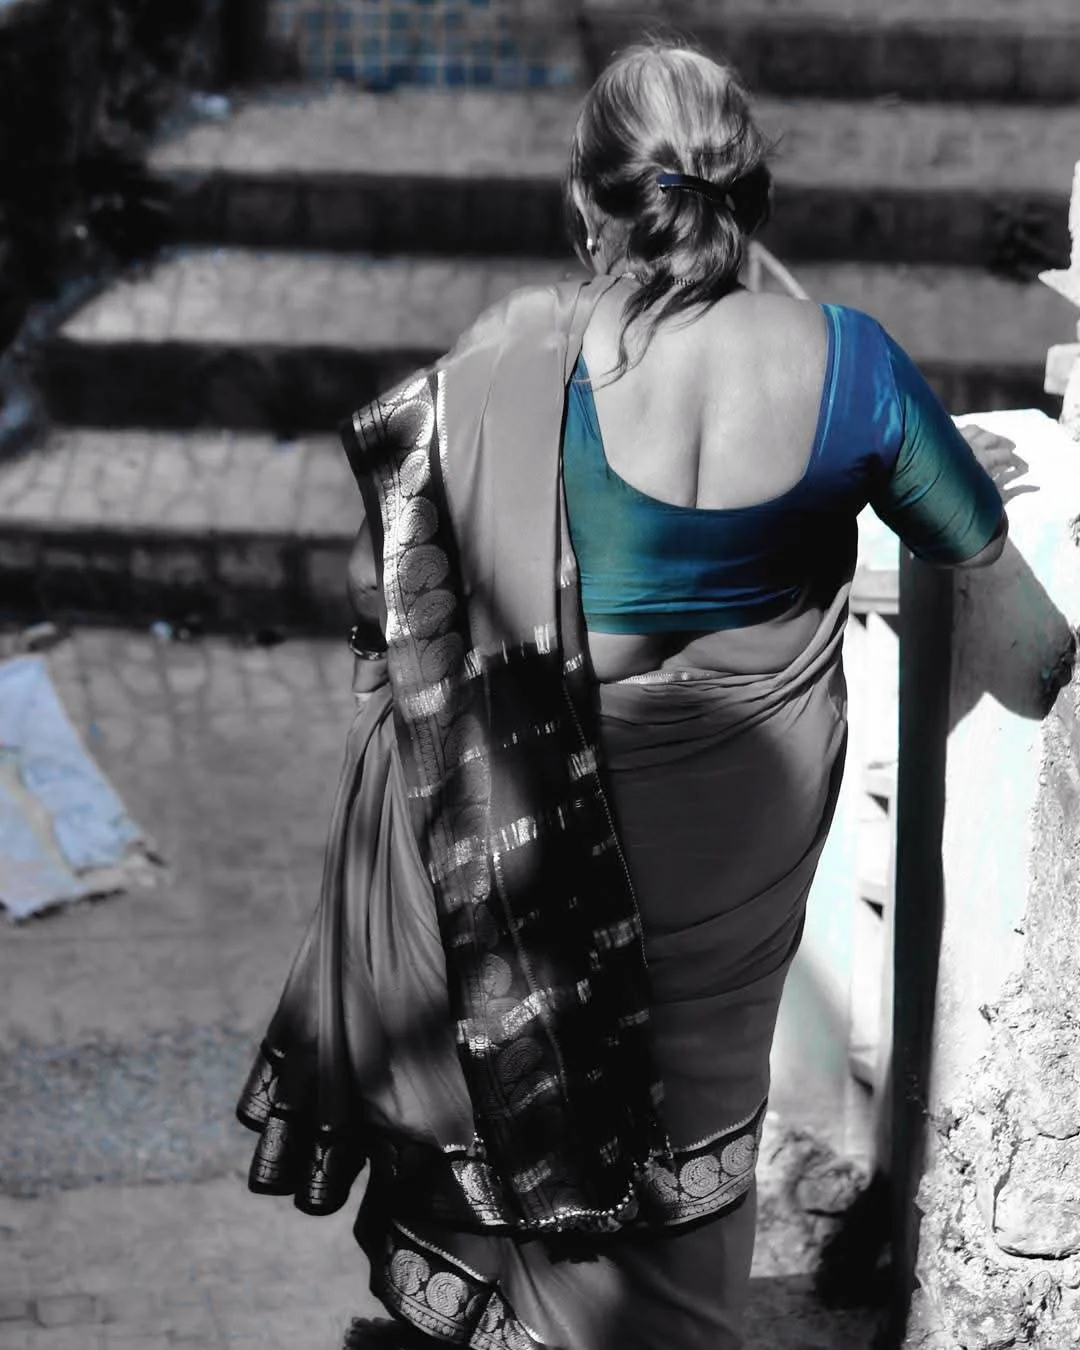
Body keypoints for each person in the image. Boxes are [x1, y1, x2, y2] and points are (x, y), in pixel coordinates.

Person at [237, 39, 1013, 1350]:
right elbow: (1015, 604)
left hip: (534, 861)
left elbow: (396, 605)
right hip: (737, 850)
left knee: (525, 1120)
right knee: (696, 1135)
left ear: (583, 201)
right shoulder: (859, 368)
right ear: (754, 197)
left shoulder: (516, 356)